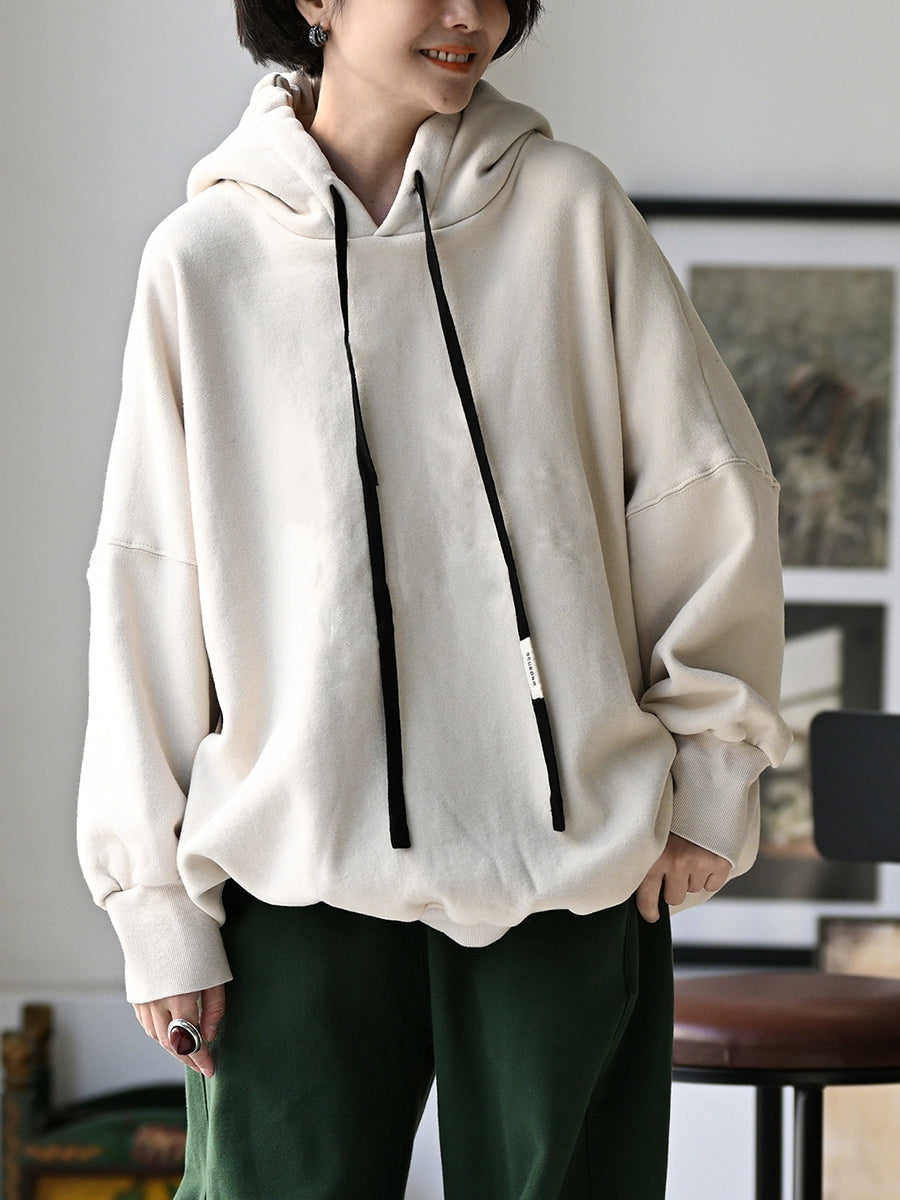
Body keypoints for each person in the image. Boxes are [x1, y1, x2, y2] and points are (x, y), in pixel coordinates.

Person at [77, 1, 792, 1196]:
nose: (474, 16)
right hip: (295, 875)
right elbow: (150, 586)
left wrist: (714, 778)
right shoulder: (203, 260)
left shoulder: (570, 213)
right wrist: (156, 906)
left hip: (566, 863)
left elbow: (705, 493)